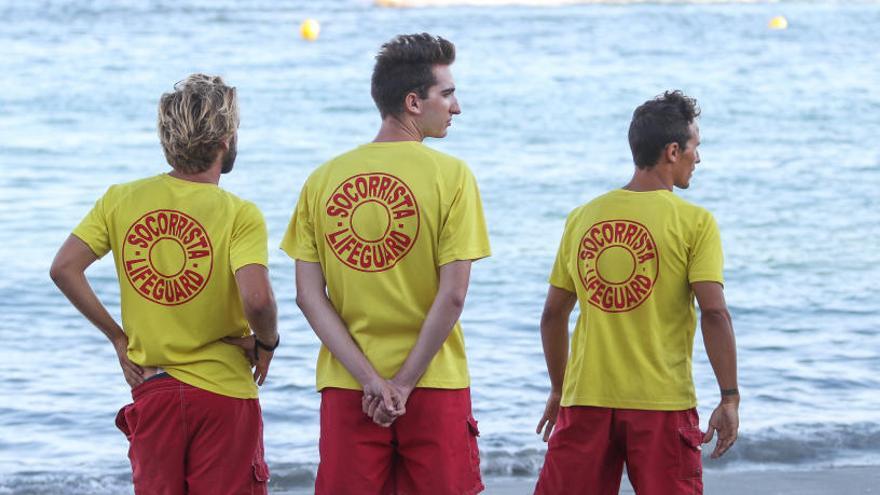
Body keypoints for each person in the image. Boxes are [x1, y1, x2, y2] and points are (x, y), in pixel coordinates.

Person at [281, 33, 491, 495]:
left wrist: (373, 382)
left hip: (348, 387)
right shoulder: (452, 177)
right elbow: (453, 294)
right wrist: (404, 384)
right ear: (413, 102)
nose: (456, 108)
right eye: (448, 94)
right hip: (434, 381)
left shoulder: (322, 179)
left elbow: (307, 296)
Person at [49, 74, 278, 495]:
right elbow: (258, 299)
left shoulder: (121, 199)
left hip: (153, 388)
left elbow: (64, 268)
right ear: (226, 139)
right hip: (223, 393)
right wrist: (266, 344)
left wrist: (119, 339)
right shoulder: (240, 213)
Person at [534, 91, 739, 494]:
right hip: (661, 402)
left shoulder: (583, 217)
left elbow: (553, 315)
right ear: (673, 150)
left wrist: (560, 389)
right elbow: (714, 313)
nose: (698, 158)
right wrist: (729, 396)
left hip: (586, 398)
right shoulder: (695, 222)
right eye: (695, 147)